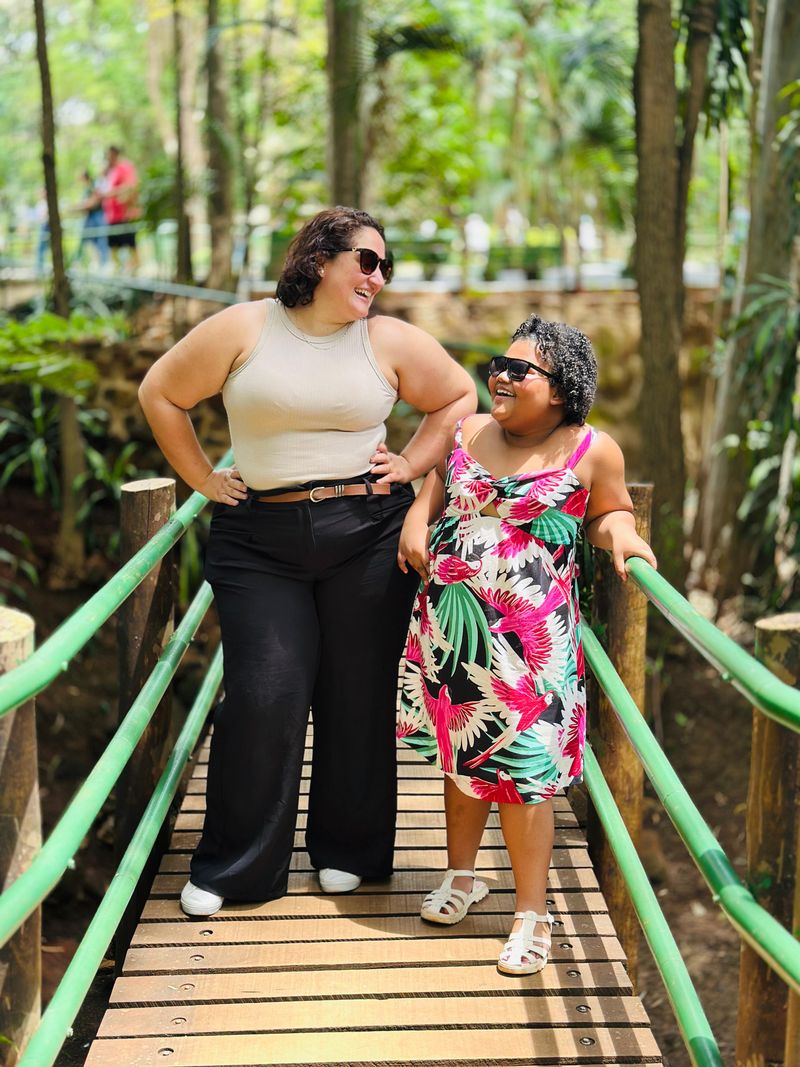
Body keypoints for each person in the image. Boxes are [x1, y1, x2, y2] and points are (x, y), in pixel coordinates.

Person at [138, 206, 476, 916]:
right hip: (259, 537)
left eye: (385, 266)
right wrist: (202, 479)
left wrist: (412, 462)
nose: (376, 276)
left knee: (357, 693)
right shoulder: (246, 328)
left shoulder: (385, 339)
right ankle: (236, 867)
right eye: (366, 260)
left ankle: (349, 851)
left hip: (368, 532)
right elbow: (160, 392)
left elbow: (457, 397)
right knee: (264, 693)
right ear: (320, 258)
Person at [395, 313, 656, 975]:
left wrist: (623, 536)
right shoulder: (467, 429)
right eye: (498, 365)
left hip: (532, 648)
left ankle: (532, 913)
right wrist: (416, 521)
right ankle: (461, 875)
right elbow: (435, 488)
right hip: (454, 629)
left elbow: (609, 512)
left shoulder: (592, 449)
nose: (500, 377)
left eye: (519, 369)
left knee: (526, 777)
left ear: (562, 388)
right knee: (462, 759)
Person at [101, 145, 140, 270]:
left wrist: (111, 193)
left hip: (125, 214)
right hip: (112, 216)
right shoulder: (111, 170)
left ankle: (135, 268)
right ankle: (117, 268)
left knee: (130, 243)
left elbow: (130, 186)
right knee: (113, 244)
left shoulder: (126, 167)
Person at [76, 170, 109, 268]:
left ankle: (104, 262)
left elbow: (94, 201)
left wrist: (79, 207)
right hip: (89, 216)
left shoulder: (93, 185)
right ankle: (94, 261)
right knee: (88, 239)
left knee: (101, 238)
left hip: (97, 215)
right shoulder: (86, 189)